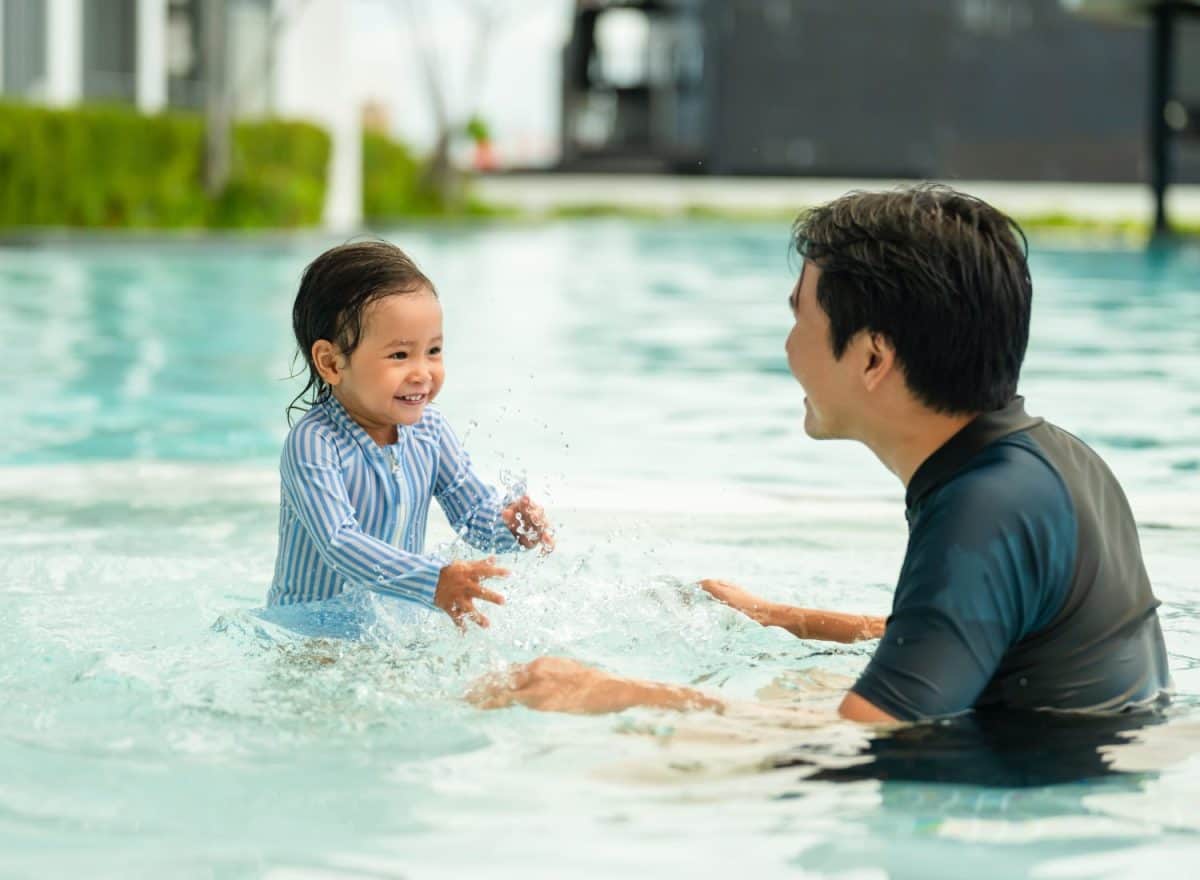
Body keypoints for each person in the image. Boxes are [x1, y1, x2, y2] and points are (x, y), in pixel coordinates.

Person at [472, 184, 1172, 722]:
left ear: (872, 357)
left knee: (642, 768)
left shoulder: (981, 510)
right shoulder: (1046, 459)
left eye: (797, 314)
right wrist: (785, 618)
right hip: (1077, 750)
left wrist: (609, 693)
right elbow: (967, 630)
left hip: (1020, 795)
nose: (786, 347)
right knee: (795, 679)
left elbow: (861, 738)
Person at [267, 241, 553, 629]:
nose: (422, 372)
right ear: (331, 363)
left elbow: (473, 517)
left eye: (433, 350)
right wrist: (433, 581)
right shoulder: (315, 444)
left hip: (391, 628)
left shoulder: (430, 432)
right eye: (400, 355)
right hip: (310, 634)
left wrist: (513, 528)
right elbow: (339, 543)